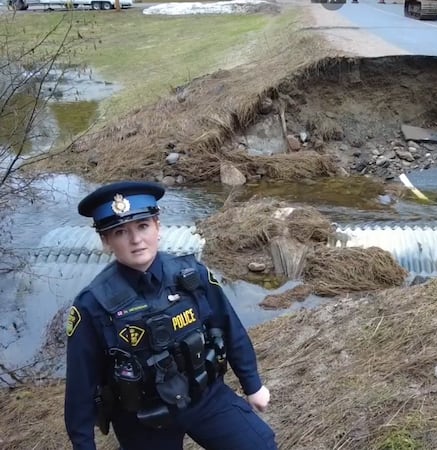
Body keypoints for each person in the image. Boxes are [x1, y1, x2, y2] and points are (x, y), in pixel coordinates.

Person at [64, 180, 278, 450]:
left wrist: (252, 385)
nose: (136, 240)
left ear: (158, 226)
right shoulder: (92, 305)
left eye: (143, 226)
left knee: (260, 445)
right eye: (120, 232)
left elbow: (228, 326)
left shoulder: (191, 274)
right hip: (142, 419)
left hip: (205, 396)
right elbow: (80, 387)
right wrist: (83, 445)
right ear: (106, 241)